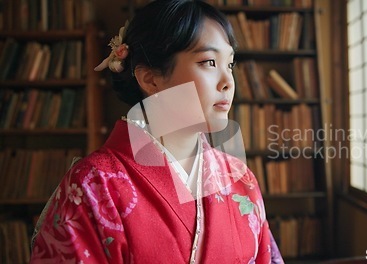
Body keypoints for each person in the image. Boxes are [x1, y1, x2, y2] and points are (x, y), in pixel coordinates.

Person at [29, 0, 284, 263]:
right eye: (209, 62)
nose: (228, 82)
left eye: (229, 64)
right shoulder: (92, 184)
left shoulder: (240, 180)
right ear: (150, 79)